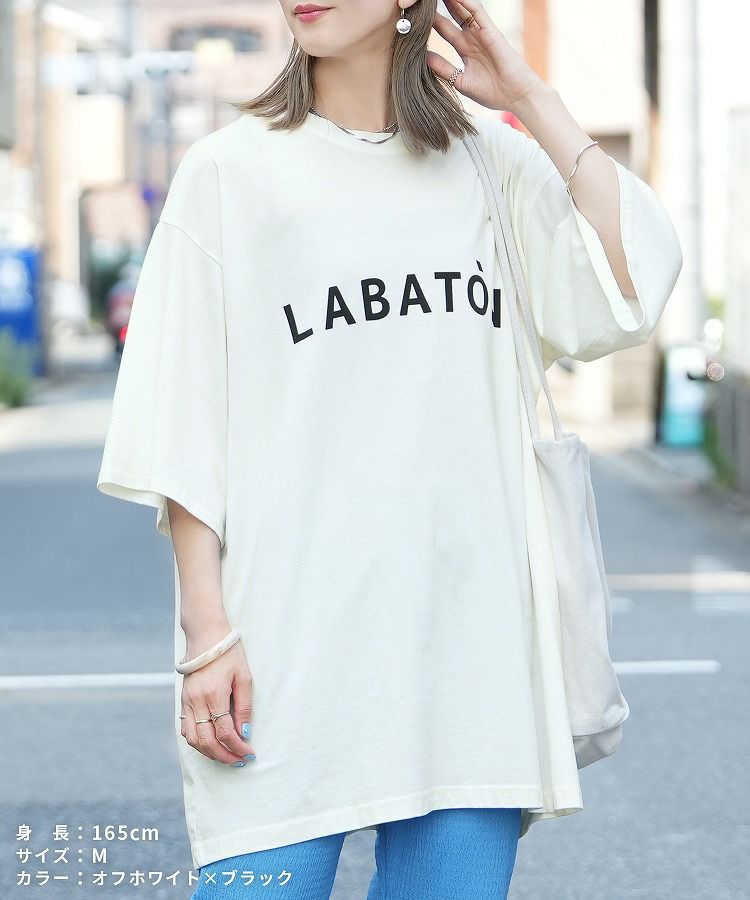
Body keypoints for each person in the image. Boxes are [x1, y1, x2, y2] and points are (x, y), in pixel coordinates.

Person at [96, 0, 683, 897]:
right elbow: (182, 419)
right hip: (284, 650)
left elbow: (631, 281)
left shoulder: (487, 163)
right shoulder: (228, 172)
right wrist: (206, 635)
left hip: (471, 654)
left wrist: (530, 96)